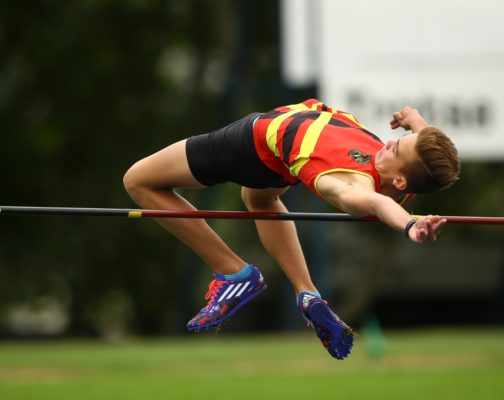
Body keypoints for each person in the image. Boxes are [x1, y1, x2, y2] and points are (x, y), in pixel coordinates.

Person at [123, 99, 460, 360]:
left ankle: (232, 272)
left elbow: (377, 205)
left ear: (399, 181)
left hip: (252, 142)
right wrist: (414, 119)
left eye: (395, 148)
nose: (387, 142)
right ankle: (307, 292)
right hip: (283, 153)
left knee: (139, 181)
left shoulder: (349, 186)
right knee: (260, 199)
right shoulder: (406, 175)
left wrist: (410, 225)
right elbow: (423, 152)